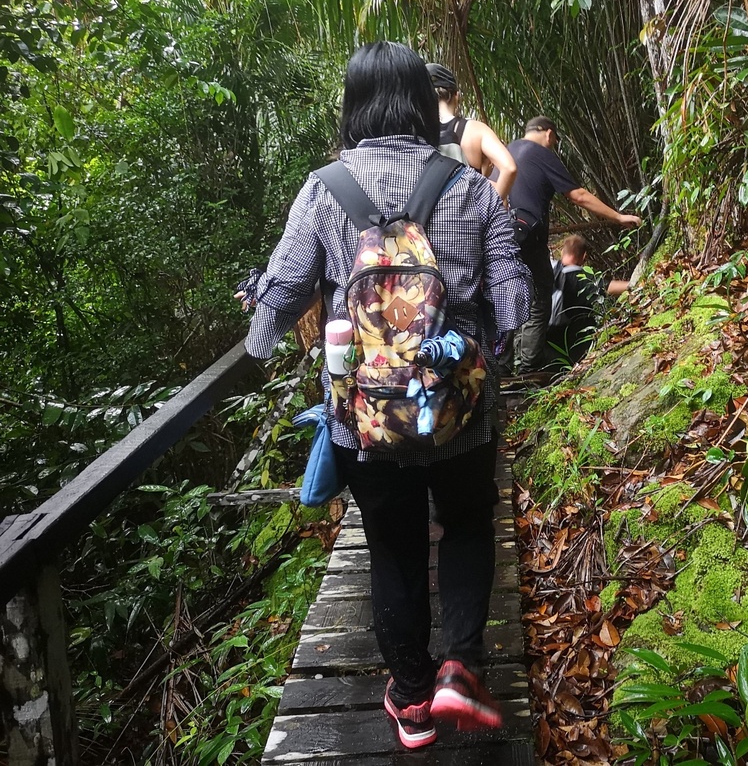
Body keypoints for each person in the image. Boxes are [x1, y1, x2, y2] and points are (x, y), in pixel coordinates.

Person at [236, 42, 530, 750]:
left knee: (392, 547)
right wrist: (486, 355)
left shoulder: (323, 188)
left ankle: (410, 697)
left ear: (354, 105)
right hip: (457, 409)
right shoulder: (466, 186)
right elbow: (513, 299)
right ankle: (462, 663)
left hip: (363, 418)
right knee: (463, 524)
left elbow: (280, 295)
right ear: (426, 105)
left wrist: (259, 333)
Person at [507, 116, 641, 372]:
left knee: (514, 298)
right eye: (555, 140)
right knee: (538, 298)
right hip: (528, 234)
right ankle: (528, 369)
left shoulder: (507, 151)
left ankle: (507, 367)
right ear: (548, 134)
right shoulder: (541, 152)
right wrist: (618, 216)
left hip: (502, 235)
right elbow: (578, 195)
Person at [426, 63, 517, 204]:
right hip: (468, 219)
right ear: (456, 96)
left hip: (428, 219)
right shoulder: (474, 129)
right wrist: (492, 208)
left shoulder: (415, 131)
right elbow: (509, 168)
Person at [546, 233, 629, 366]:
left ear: (562, 251)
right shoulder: (578, 276)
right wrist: (641, 283)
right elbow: (608, 288)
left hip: (544, 334)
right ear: (584, 256)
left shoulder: (548, 268)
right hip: (570, 339)